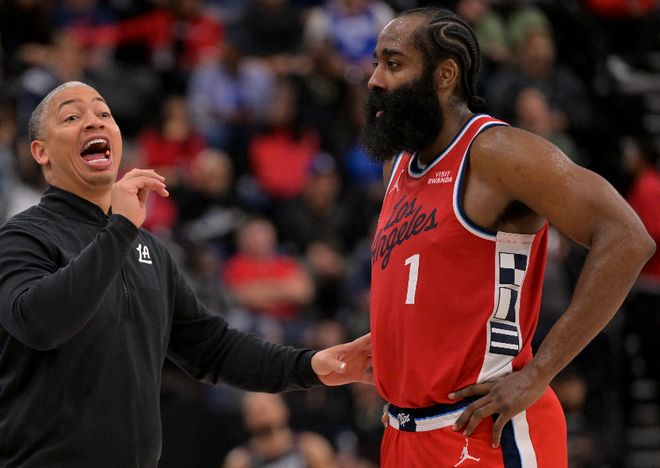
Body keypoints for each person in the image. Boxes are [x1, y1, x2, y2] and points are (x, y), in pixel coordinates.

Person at [0, 81, 373, 467]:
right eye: (72, 117)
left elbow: (213, 349)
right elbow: (40, 325)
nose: (94, 122)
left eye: (104, 113)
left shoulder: (149, 251)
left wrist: (309, 366)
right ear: (41, 152)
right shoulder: (22, 238)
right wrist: (120, 227)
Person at [362, 7, 655, 467]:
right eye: (377, 63)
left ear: (444, 75)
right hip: (403, 434)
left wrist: (540, 372)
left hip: (484, 432)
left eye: (393, 64)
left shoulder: (497, 153)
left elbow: (627, 237)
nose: (375, 80)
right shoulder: (397, 166)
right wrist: (384, 344)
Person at [222, 392, 337, 468]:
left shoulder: (311, 447)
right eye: (258, 410)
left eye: (268, 407)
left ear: (284, 410)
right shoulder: (239, 461)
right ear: (246, 419)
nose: (264, 413)